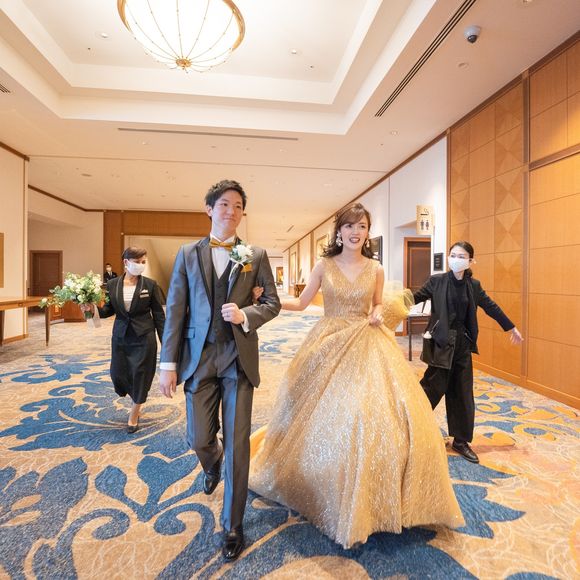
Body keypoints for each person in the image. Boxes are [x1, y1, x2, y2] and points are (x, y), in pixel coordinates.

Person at [248, 203, 464, 549]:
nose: (355, 232)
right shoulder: (324, 266)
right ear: (339, 232)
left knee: (373, 412)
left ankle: (379, 498)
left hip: (366, 341)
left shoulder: (376, 269)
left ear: (367, 232)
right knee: (319, 411)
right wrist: (263, 300)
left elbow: (377, 303)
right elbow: (301, 303)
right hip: (329, 341)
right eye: (349, 226)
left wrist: (377, 312)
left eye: (361, 226)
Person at [158, 180, 281, 561]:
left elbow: (272, 302)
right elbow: (175, 310)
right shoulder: (187, 253)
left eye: (238, 206)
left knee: (239, 443)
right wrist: (168, 364)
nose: (232, 211)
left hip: (238, 358)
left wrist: (246, 314)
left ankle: (233, 525)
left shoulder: (255, 254)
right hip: (199, 358)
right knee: (198, 437)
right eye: (225, 204)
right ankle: (212, 463)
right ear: (209, 209)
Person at [413, 241, 523, 464]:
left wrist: (510, 327)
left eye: (461, 256)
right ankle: (410, 429)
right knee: (431, 388)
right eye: (453, 255)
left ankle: (461, 441)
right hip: (441, 343)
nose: (456, 259)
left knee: (462, 392)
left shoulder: (473, 286)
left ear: (471, 260)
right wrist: (384, 303)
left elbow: (491, 307)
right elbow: (413, 298)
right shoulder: (437, 281)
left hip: (462, 345)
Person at [82, 247, 165, 432]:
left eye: (143, 262)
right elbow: (107, 311)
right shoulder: (113, 285)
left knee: (141, 376)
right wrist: (92, 309)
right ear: (126, 262)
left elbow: (159, 316)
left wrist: (165, 342)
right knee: (118, 374)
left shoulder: (150, 285)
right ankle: (135, 399)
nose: (141, 265)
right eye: (137, 262)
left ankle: (134, 413)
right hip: (121, 337)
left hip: (144, 338)